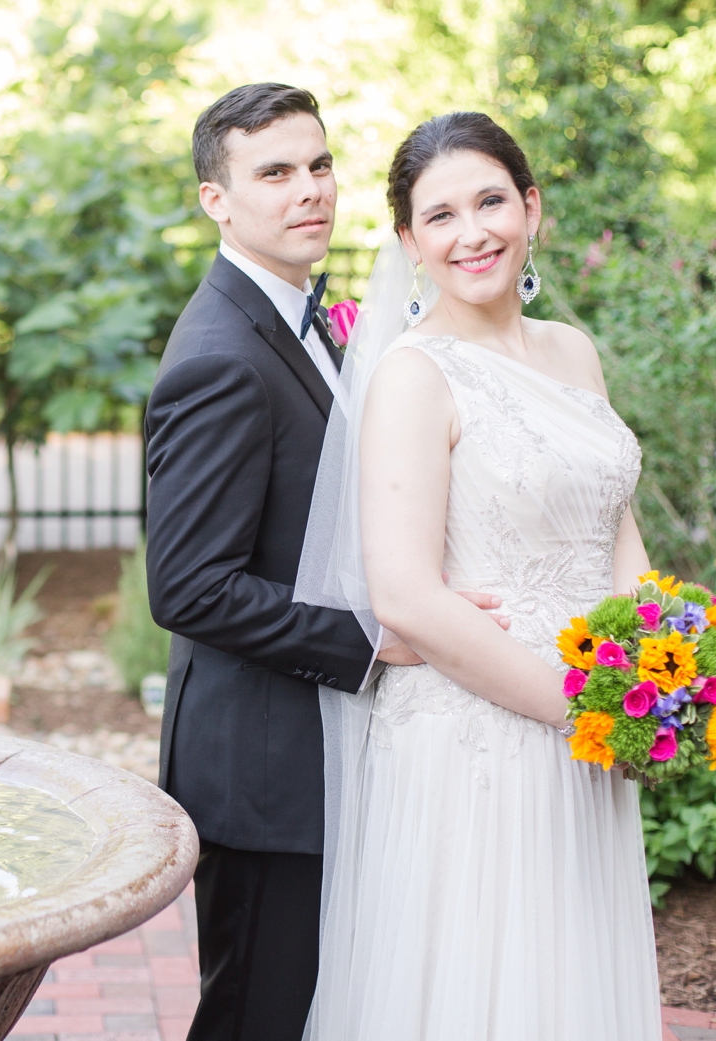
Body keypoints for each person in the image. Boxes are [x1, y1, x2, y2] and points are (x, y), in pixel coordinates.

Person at [144, 86, 509, 1041]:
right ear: (215, 200)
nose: (308, 191)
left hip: (322, 753)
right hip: (262, 770)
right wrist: (377, 636)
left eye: (318, 165)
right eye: (273, 173)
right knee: (258, 1016)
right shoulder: (220, 354)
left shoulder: (303, 318)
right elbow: (188, 586)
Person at [295, 111, 662, 1040]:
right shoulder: (415, 376)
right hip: (486, 733)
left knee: (570, 979)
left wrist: (660, 670)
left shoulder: (573, 351)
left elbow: (613, 522)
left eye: (493, 200)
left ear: (532, 210)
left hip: (594, 721)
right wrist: (575, 709)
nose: (475, 233)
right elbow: (406, 595)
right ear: (411, 243)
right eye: (443, 215)